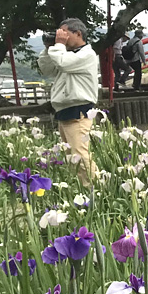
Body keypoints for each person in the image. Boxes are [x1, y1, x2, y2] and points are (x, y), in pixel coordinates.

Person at [38, 18, 100, 185]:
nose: (61, 37)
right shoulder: (66, 55)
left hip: (78, 111)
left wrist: (58, 45)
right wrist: (49, 48)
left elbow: (63, 63)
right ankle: (83, 189)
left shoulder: (87, 55)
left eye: (64, 33)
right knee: (72, 158)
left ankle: (95, 190)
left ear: (78, 33)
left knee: (80, 155)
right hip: (64, 111)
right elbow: (47, 69)